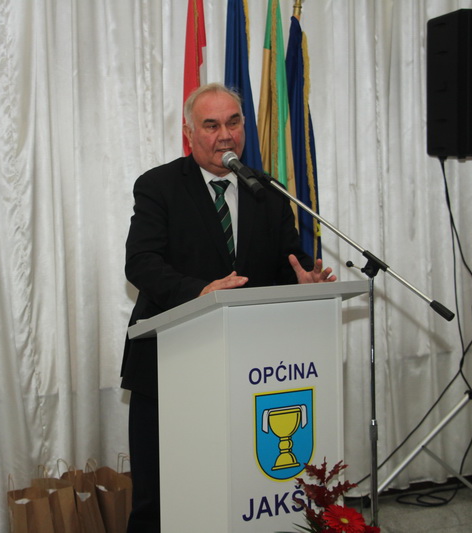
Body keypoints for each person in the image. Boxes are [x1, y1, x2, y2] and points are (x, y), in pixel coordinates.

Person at [120, 82, 336, 533]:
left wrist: (302, 283)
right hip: (169, 363)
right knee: (159, 498)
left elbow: (286, 264)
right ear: (189, 133)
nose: (225, 135)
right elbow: (141, 262)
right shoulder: (159, 186)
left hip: (248, 372)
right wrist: (201, 292)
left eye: (233, 122)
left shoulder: (268, 191)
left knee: (233, 488)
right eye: (211, 125)